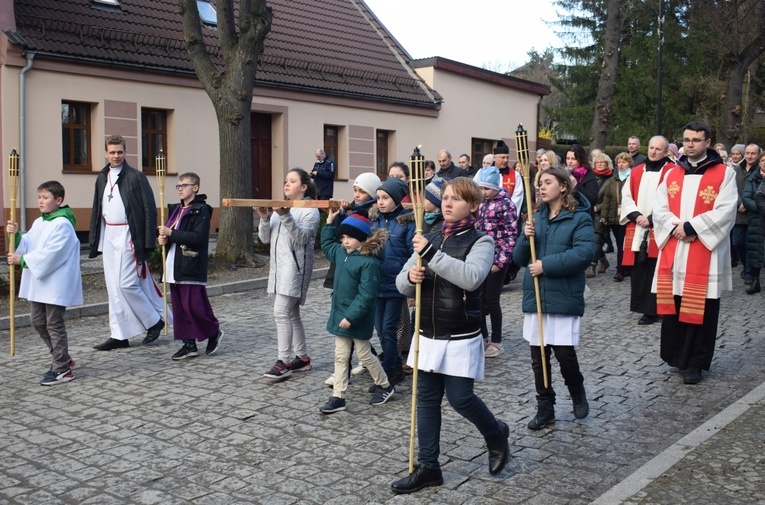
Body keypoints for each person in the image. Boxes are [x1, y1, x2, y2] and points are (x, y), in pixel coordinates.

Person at [391, 178, 510, 494]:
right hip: (427, 331)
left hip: (460, 332)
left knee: (461, 399)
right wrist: (411, 276)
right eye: (445, 198)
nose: (447, 203)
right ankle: (429, 467)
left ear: (473, 205)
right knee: (427, 401)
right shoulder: (427, 237)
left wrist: (430, 255)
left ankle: (496, 433)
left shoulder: (481, 241)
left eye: (456, 199)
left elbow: (471, 278)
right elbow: (401, 283)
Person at [653, 121, 737, 385]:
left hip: (704, 253)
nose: (690, 144)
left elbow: (726, 211)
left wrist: (691, 226)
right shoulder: (672, 172)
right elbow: (659, 207)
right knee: (676, 305)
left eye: (696, 140)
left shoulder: (724, 173)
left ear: (707, 142)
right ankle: (677, 357)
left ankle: (696, 363)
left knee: (702, 308)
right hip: (676, 250)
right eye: (686, 139)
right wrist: (676, 228)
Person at [513, 166, 594, 430]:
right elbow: (519, 259)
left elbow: (584, 254)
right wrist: (526, 239)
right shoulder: (536, 216)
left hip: (563, 294)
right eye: (540, 183)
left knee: (564, 353)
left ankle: (577, 390)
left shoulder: (579, 218)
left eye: (547, 182)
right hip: (536, 295)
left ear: (562, 186)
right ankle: (545, 406)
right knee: (538, 358)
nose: (541, 187)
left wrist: (546, 265)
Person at [89, 135, 168, 351]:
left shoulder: (136, 177)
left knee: (126, 284)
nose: (116, 156)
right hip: (109, 236)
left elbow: (149, 209)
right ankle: (119, 334)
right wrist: (95, 239)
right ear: (106, 153)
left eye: (120, 152)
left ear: (125, 152)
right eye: (112, 152)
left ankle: (154, 321)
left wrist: (146, 241)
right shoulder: (101, 177)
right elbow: (97, 209)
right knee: (113, 289)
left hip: (128, 234)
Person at [6, 181, 82, 385]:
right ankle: (62, 357)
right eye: (39, 197)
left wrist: (22, 260)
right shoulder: (40, 222)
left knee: (54, 323)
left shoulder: (63, 224)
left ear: (58, 200)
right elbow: (29, 242)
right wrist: (15, 235)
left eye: (45, 198)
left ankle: (62, 369)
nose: (40, 201)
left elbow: (53, 253)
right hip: (40, 282)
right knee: (37, 321)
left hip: (55, 282)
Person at [319, 208, 394, 413]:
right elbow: (326, 245)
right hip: (340, 315)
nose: (345, 241)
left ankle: (385, 385)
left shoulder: (369, 263)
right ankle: (338, 396)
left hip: (356, 318)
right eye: (343, 236)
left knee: (365, 354)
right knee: (341, 357)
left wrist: (351, 316)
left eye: (350, 237)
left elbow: (366, 295)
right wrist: (329, 222)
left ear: (362, 238)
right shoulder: (342, 253)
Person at [256, 168, 320, 380]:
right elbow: (265, 239)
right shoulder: (279, 209)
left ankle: (283, 361)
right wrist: (265, 218)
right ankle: (302, 358)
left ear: (303, 187)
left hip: (295, 270)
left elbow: (301, 238)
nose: (286, 184)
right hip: (278, 270)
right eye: (285, 181)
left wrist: (286, 216)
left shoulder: (311, 210)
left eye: (292, 181)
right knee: (292, 314)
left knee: (280, 312)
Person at [323, 172, 382, 386]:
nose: (357, 195)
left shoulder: (372, 215)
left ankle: (380, 378)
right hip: (345, 273)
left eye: (362, 191)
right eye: (355, 190)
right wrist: (339, 215)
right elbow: (339, 238)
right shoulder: (352, 213)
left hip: (360, 277)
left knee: (357, 337)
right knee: (347, 338)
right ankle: (343, 374)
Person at [157, 172, 223, 360]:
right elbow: (171, 236)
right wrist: (163, 239)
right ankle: (189, 344)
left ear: (195, 188)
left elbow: (198, 238)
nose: (180, 189)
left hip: (190, 263)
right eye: (178, 186)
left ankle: (213, 332)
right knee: (180, 308)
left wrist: (171, 233)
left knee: (193, 306)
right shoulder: (176, 210)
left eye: (184, 186)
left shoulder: (200, 210)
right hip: (174, 264)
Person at [620, 136, 676, 325]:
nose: (653, 152)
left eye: (658, 149)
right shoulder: (636, 171)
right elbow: (626, 196)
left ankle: (654, 309)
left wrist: (652, 219)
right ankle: (642, 307)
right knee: (639, 268)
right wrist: (637, 216)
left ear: (666, 151)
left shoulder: (673, 172)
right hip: (637, 226)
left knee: (657, 269)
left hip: (660, 228)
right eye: (651, 148)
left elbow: (673, 200)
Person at [370, 176, 415, 386]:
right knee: (380, 328)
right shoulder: (374, 220)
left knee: (388, 327)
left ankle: (388, 372)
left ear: (397, 199)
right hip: (376, 283)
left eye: (385, 197)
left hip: (395, 284)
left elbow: (413, 255)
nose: (380, 202)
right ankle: (395, 365)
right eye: (378, 197)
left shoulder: (406, 223)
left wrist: (411, 288)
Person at [475, 166, 518, 358]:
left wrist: (500, 262)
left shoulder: (505, 204)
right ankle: (482, 336)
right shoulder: (482, 203)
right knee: (479, 299)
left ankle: (497, 340)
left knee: (492, 300)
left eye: (487, 189)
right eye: (481, 189)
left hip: (498, 259)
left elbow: (510, 235)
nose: (484, 192)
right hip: (482, 258)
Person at [600, 153, 632, 281]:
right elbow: (607, 198)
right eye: (619, 162)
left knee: (623, 244)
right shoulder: (613, 180)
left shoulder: (632, 177)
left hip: (627, 216)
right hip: (614, 216)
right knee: (619, 244)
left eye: (624, 162)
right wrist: (604, 215)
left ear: (629, 163)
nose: (621, 165)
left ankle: (622, 269)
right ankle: (622, 268)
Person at [732, 143, 761, 285]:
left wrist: (747, 203)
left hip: (754, 213)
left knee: (751, 244)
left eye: (753, 153)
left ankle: (749, 272)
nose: (750, 156)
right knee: (737, 242)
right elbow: (732, 189)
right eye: (748, 153)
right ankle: (745, 266)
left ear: (758, 155)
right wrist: (739, 203)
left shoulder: (760, 169)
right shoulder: (737, 169)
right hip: (738, 213)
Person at [588, 153, 616, 277]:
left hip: (602, 213)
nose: (599, 164)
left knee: (597, 239)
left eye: (602, 162)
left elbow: (611, 198)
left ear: (607, 164)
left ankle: (592, 266)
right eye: (597, 162)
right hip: (588, 211)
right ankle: (603, 260)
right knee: (590, 239)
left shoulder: (611, 178)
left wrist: (598, 207)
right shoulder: (591, 177)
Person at [741, 153, 765, 294]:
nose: (764, 163)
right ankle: (755, 281)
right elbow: (746, 197)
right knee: (756, 250)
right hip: (757, 219)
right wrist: (761, 208)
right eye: (762, 160)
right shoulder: (753, 177)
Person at [564, 144, 599, 213]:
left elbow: (592, 199)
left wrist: (576, 185)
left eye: (573, 159)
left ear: (581, 159)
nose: (569, 162)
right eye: (568, 158)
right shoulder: (564, 173)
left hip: (583, 214)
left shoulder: (588, 174)